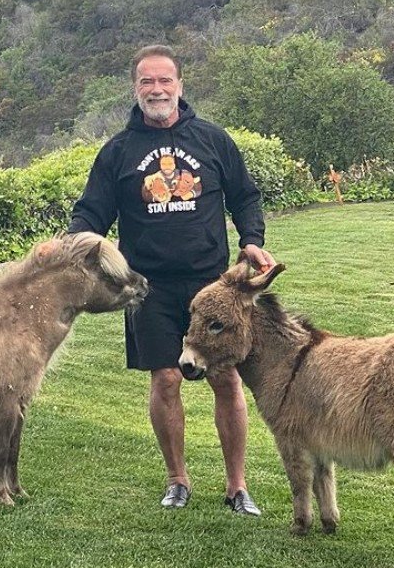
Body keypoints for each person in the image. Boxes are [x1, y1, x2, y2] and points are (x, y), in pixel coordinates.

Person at [67, 45, 275, 515]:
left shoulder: (213, 140)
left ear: (180, 85)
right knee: (165, 380)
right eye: (147, 82)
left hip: (214, 288)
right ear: (135, 88)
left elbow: (245, 196)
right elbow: (92, 211)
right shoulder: (118, 151)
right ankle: (177, 479)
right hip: (148, 287)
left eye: (165, 81)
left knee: (225, 380)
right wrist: (73, 242)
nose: (156, 90)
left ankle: (237, 486)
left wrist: (252, 239)